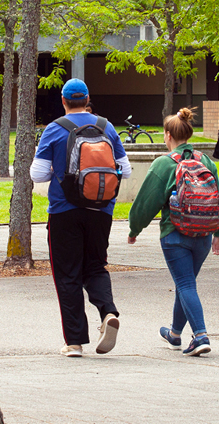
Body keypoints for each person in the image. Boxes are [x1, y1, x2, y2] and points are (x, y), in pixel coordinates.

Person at [31, 78, 132, 357]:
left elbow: (37, 174)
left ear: (63, 101)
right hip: (101, 210)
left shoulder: (54, 129)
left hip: (64, 211)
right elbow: (125, 169)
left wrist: (60, 175)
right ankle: (108, 312)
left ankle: (74, 342)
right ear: (88, 99)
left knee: (67, 274)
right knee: (96, 266)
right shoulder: (106, 127)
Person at [128, 108, 219, 356]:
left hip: (175, 235)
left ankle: (200, 336)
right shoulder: (206, 162)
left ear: (168, 135)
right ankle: (174, 334)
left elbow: (145, 202)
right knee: (186, 283)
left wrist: (134, 229)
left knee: (185, 284)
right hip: (203, 234)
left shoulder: (163, 164)